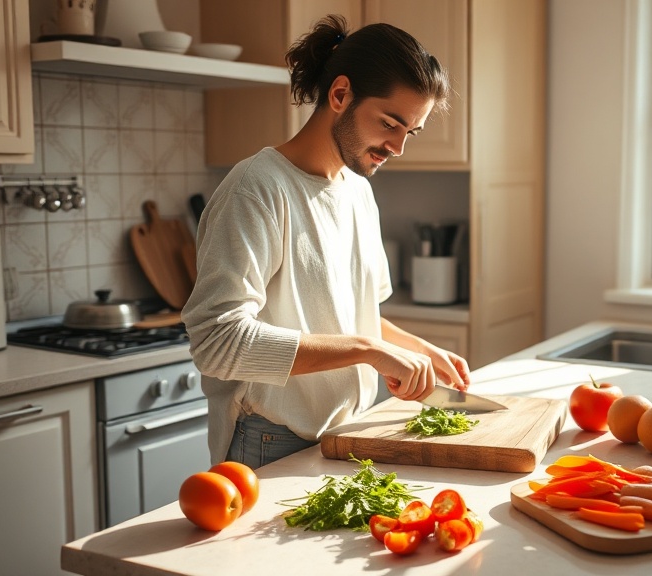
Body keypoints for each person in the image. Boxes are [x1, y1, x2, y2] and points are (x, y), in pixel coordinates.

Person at [181, 14, 471, 470]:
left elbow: (353, 315)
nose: (397, 148)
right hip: (269, 438)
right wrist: (371, 351)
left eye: (409, 132)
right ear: (340, 95)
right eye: (390, 124)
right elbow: (216, 341)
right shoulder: (257, 188)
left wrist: (417, 349)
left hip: (346, 430)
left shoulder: (357, 189)